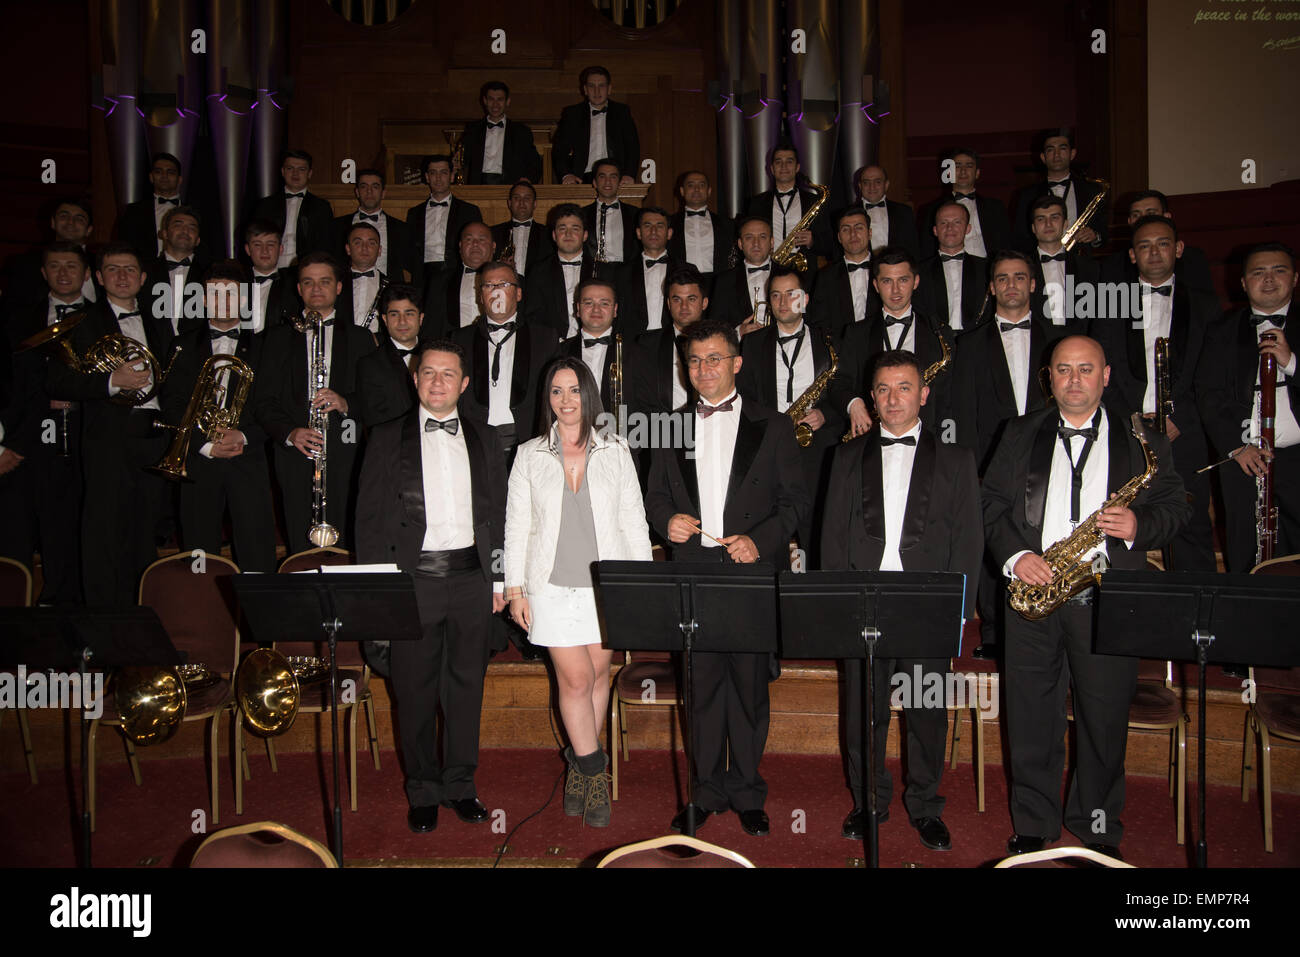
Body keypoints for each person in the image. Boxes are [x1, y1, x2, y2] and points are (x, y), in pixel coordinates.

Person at [982, 335, 1190, 858]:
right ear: (1048, 377)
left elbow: (1176, 507)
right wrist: (1014, 557)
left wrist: (1140, 523)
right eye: (1063, 370)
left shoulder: (1145, 438)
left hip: (1108, 594)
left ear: (1106, 376)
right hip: (1035, 588)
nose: (1074, 380)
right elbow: (988, 504)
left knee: (1103, 720)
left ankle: (1097, 825)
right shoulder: (1018, 431)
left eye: (1086, 369)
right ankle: (1034, 824)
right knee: (1031, 716)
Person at [645, 319, 810, 836]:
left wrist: (759, 540)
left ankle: (746, 789)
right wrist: (664, 522)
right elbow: (654, 499)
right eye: (694, 361)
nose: (703, 369)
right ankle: (704, 791)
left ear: (737, 363)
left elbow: (794, 503)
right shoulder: (669, 424)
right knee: (700, 687)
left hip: (750, 574)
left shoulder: (775, 424)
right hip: (693, 574)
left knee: (747, 688)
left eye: (714, 359)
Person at [822, 350, 982, 849]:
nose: (894, 399)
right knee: (863, 713)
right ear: (873, 396)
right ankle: (868, 802)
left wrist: (956, 613)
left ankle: (926, 805)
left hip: (926, 603)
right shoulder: (846, 456)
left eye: (904, 388)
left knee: (926, 712)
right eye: (884, 389)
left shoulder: (957, 460)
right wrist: (835, 605)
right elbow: (831, 538)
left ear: (924, 394)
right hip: (863, 602)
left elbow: (969, 541)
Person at [356, 339, 508, 834]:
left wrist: (501, 578)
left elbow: (500, 516)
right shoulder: (383, 437)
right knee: (415, 693)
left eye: (448, 374)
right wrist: (380, 597)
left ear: (465, 384)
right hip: (413, 582)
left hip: (472, 582)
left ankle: (461, 785)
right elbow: (369, 523)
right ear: (414, 379)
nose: (437, 382)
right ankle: (421, 788)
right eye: (428, 373)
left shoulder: (486, 437)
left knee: (466, 691)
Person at [504, 357, 651, 825]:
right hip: (549, 586)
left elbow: (633, 521)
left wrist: (638, 586)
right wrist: (515, 588)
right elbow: (516, 525)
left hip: (604, 587)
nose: (565, 401)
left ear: (589, 395)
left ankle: (577, 770)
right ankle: (595, 772)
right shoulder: (529, 454)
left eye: (573, 390)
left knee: (599, 677)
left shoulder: (617, 450)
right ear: (547, 399)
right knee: (576, 680)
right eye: (556, 391)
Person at [44, 243, 172, 608]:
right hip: (108, 439)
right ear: (98, 278)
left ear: (142, 278)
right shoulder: (82, 322)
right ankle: (103, 622)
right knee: (104, 533)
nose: (121, 276)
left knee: (144, 530)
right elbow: (56, 380)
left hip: (152, 434)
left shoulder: (157, 322)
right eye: (112, 269)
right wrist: (111, 382)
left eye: (129, 269)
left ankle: (142, 615)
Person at [952, 250, 1067, 656]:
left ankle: (1052, 623)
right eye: (1002, 278)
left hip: (1053, 458)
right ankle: (997, 633)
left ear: (1033, 284)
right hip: (988, 460)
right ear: (991, 287)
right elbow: (962, 411)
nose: (1011, 285)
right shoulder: (966, 345)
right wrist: (972, 469)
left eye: (1020, 277)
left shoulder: (1062, 340)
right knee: (994, 542)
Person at [1091, 215, 1217, 572]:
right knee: (1122, 527)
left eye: (1162, 244)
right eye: (1144, 246)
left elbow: (1211, 372)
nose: (1154, 253)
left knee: (1191, 527)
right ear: (1132, 255)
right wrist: (1131, 420)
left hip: (1184, 432)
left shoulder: (1205, 304)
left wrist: (1180, 419)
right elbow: (1103, 370)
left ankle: (1195, 615)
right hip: (1129, 432)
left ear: (1178, 249)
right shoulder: (1111, 301)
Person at [254, 251, 375, 552]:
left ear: (338, 287)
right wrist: (290, 432)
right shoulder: (276, 338)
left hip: (346, 447)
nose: (316, 288)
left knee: (346, 528)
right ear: (299, 289)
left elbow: (373, 396)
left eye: (324, 281)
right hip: (295, 449)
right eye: (308, 282)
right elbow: (263, 400)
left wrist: (346, 402)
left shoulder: (361, 338)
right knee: (299, 531)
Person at [159, 262, 275, 572]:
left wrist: (245, 435)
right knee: (198, 550)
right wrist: (204, 444)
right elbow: (172, 404)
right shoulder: (181, 344)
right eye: (216, 293)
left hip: (248, 459)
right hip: (198, 459)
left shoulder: (266, 347)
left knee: (256, 549)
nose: (223, 300)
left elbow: (273, 405)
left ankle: (258, 615)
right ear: (204, 299)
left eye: (231, 293)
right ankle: (200, 610)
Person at [1197, 242, 1299, 571]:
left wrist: (1292, 363)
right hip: (1243, 459)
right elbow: (1209, 394)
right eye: (1258, 272)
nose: (1268, 279)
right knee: (1246, 552)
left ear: (1295, 278)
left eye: (1278, 270)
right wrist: (1236, 448)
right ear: (1243, 283)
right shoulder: (1222, 331)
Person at [0, 242, 89, 604]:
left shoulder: (103, 317)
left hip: (88, 441)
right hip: (33, 444)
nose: (64, 273)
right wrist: (15, 443)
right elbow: (9, 386)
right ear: (43, 273)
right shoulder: (18, 319)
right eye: (55, 266)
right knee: (33, 529)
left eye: (71, 266)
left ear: (86, 275)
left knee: (81, 532)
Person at [738, 266, 844, 555]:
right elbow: (744, 398)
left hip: (816, 452)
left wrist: (825, 414)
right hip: (770, 450)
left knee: (816, 533)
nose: (783, 302)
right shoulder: (752, 343)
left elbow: (843, 391)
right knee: (769, 532)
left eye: (791, 294)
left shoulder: (829, 340)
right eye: (776, 295)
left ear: (805, 299)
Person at [840, 247, 954, 439]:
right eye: (887, 281)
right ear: (876, 285)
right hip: (871, 435)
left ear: (915, 282)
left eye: (903, 280)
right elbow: (839, 382)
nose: (895, 290)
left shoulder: (941, 334)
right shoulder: (856, 333)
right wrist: (854, 403)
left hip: (928, 436)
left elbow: (951, 395)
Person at [452, 261, 557, 463]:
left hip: (530, 441)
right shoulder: (460, 339)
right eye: (489, 286)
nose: (496, 292)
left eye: (503, 285)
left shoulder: (545, 338)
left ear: (518, 294)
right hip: (475, 441)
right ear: (480, 295)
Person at [1010, 129, 1108, 250]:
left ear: (1072, 154)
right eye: (1050, 150)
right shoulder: (1027, 195)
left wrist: (1095, 236)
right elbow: (1020, 237)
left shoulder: (1092, 191)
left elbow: (1104, 235)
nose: (1056, 155)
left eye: (1062, 149)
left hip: (1081, 263)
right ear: (1043, 157)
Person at [1101, 191, 1214, 293]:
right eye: (1136, 215)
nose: (1143, 219)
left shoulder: (1193, 259)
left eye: (1151, 213)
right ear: (1129, 222)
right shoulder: (1113, 264)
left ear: (1167, 217)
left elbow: (1203, 305)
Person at [404, 154, 483, 292]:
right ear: (427, 177)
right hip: (422, 279)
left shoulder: (469, 211)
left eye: (443, 173)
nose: (438, 178)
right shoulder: (414, 213)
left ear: (452, 176)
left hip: (456, 276)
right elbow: (409, 250)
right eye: (433, 173)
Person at [746, 143, 833, 262]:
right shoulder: (757, 203)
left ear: (797, 167)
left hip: (804, 272)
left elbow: (829, 244)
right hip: (769, 269)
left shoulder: (813, 201)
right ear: (772, 168)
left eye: (789, 161)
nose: (783, 166)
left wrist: (812, 241)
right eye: (778, 162)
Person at [552, 65, 640, 185]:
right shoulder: (572, 114)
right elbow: (560, 149)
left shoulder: (622, 112)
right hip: (582, 178)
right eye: (591, 86)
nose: (597, 91)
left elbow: (632, 147)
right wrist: (566, 175)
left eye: (601, 86)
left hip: (615, 177)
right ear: (585, 89)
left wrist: (629, 174)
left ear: (609, 89)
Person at [919, 147, 1010, 261]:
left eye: (969, 166)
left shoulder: (995, 207)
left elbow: (1006, 244)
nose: (963, 171)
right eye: (957, 166)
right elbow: (926, 249)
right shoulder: (932, 209)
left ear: (977, 173)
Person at [1024, 196, 1099, 331]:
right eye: (1041, 219)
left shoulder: (1090, 268)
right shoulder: (1021, 268)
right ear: (1033, 228)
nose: (1048, 224)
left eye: (1054, 217)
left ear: (1065, 224)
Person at [522, 204, 595, 340]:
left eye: (575, 228)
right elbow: (533, 316)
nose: (568, 234)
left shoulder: (601, 270)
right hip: (552, 346)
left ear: (585, 235)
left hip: (592, 345)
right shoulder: (538, 271)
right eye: (562, 228)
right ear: (554, 235)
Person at [253, 149, 336, 269]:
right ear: (282, 171)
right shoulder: (264, 205)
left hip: (306, 270)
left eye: (301, 169)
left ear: (310, 173)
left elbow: (326, 245)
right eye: (290, 168)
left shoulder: (321, 207)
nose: (295, 174)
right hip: (269, 267)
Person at [357, 284, 424, 428]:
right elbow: (374, 420)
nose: (402, 321)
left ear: (421, 318)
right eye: (394, 314)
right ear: (385, 320)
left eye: (409, 313)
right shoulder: (369, 365)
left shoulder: (439, 356)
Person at [916, 201, 988, 333]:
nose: (949, 228)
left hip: (976, 343)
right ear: (935, 230)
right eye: (943, 222)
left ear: (968, 228)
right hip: (934, 343)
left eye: (957, 222)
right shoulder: (919, 271)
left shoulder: (986, 269)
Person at [808, 207, 880, 337]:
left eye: (859, 228)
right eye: (846, 229)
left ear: (869, 233)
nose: (853, 234)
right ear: (839, 237)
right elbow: (819, 322)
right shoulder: (825, 277)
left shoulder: (885, 271)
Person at [146, 205, 211, 337]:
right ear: (164, 234)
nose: (185, 230)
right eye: (178, 225)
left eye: (192, 227)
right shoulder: (145, 272)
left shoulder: (210, 273)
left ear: (198, 240)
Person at [331, 168, 408, 281]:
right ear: (357, 192)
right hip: (347, 290)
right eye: (364, 186)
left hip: (389, 293)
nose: (369, 191)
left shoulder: (402, 229)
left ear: (383, 193)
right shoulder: (336, 226)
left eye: (375, 186)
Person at [461, 81, 542, 185]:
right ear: (484, 101)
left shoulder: (521, 131)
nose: (495, 104)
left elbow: (535, 163)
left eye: (500, 99)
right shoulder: (472, 130)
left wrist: (526, 181)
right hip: (477, 186)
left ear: (507, 101)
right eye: (491, 99)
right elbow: (461, 158)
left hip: (510, 187)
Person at [425, 222, 497, 338]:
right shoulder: (440, 281)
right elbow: (431, 326)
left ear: (493, 246)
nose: (475, 244)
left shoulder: (511, 280)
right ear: (460, 246)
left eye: (482, 239)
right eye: (469, 239)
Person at [668, 170, 734, 290]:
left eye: (702, 185)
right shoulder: (669, 223)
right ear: (682, 191)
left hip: (718, 286)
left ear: (709, 191)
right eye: (691, 185)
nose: (697, 189)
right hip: (682, 285)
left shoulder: (727, 224)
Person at [618, 205, 676, 338]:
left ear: (669, 233)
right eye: (647, 225)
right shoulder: (621, 273)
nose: (653, 231)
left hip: (674, 342)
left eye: (660, 226)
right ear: (639, 233)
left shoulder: (686, 269)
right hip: (634, 344)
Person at [116, 152, 184, 260]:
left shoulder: (195, 211)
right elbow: (123, 247)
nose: (164, 176)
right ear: (151, 177)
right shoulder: (133, 212)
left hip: (185, 270)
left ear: (179, 179)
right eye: (158, 172)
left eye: (170, 172)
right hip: (146, 272)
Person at [581, 158, 640, 270]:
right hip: (592, 274)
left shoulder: (635, 214)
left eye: (613, 177)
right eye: (602, 176)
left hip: (626, 275)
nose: (608, 181)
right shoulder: (582, 214)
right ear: (594, 182)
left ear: (619, 182)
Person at [490, 179, 553, 280]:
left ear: (535, 204)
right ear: (509, 203)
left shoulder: (548, 234)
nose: (521, 202)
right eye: (516, 198)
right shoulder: (493, 233)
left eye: (527, 198)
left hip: (537, 290)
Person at [243, 219, 299, 333]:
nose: (265, 251)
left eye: (271, 244)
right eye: (257, 245)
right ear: (248, 250)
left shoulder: (293, 285)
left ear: (281, 249)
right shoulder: (238, 282)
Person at [855, 164, 919, 259]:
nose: (872, 187)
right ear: (860, 186)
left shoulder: (904, 212)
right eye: (866, 182)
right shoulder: (848, 214)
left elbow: (914, 249)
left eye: (877, 182)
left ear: (886, 185)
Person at [336, 221, 387, 333]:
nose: (365, 248)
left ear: (379, 250)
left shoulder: (391, 285)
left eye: (371, 243)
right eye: (358, 243)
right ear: (348, 249)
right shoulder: (334, 283)